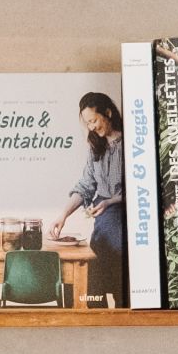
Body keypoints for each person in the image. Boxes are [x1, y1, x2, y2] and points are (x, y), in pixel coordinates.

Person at [52, 89, 125, 304]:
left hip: (126, 215)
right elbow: (86, 184)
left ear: (108, 113)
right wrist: (63, 215)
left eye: (94, 120)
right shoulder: (95, 146)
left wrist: (111, 201)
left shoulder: (132, 143)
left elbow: (141, 188)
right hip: (104, 218)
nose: (92, 127)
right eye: (88, 123)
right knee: (92, 259)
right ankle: (95, 304)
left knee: (106, 256)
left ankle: (114, 302)